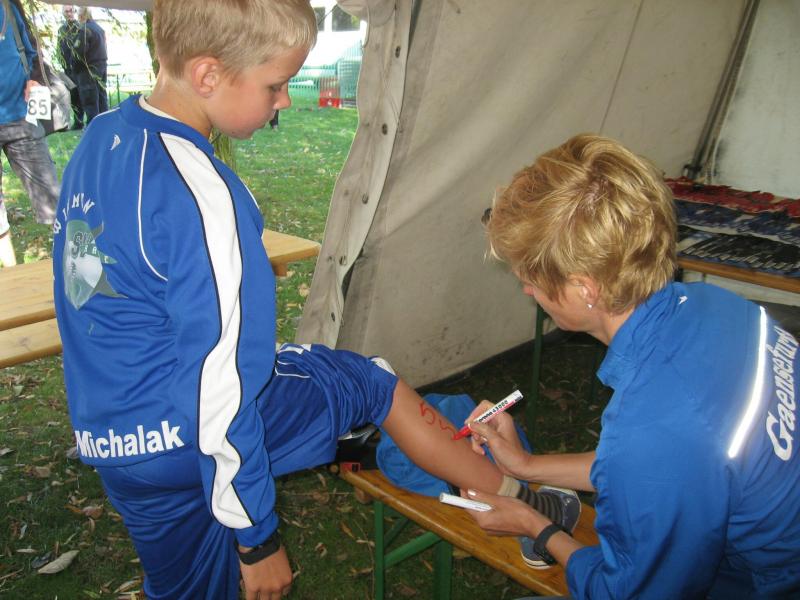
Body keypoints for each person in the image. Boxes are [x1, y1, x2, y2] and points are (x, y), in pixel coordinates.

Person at [51, 2, 574, 598]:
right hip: (189, 427)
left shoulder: (100, 139)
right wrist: (257, 539)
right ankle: (520, 500)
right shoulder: (203, 195)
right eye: (275, 85)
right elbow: (220, 386)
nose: (284, 102)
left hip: (114, 438)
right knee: (370, 383)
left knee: (186, 590)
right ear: (208, 75)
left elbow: (83, 293)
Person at [462, 134, 800, 598]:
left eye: (531, 280)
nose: (527, 291)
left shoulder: (652, 426)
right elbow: (669, 464)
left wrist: (535, 525)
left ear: (585, 288)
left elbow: (627, 592)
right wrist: (527, 466)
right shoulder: (715, 305)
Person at [0, 0, 60, 267]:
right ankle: (9, 278)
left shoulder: (8, 6)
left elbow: (33, 54)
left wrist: (35, 78)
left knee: (52, 200)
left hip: (22, 115)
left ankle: (67, 269)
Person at [73, 6, 107, 124]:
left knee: (90, 100)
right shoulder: (99, 29)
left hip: (88, 69)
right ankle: (104, 124)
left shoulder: (85, 30)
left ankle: (93, 126)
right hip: (101, 66)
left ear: (81, 16)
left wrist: (75, 68)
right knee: (102, 98)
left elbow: (78, 53)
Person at [56, 4, 84, 130]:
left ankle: (83, 120)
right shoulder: (61, 30)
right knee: (73, 96)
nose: (69, 13)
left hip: (80, 69)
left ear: (74, 11)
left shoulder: (80, 28)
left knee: (82, 95)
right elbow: (59, 48)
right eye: (66, 11)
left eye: (71, 11)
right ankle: (77, 122)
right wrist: (63, 64)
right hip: (68, 69)